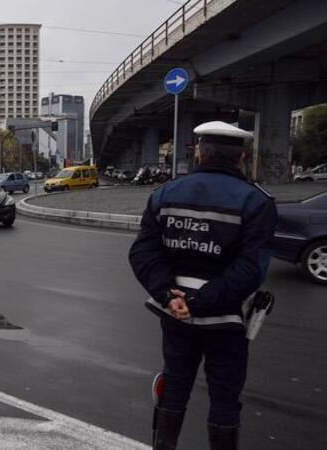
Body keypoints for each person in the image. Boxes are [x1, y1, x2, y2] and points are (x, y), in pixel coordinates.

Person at [128, 121, 278, 450]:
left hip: (175, 318)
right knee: (225, 399)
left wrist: (170, 296)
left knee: (175, 386)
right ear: (241, 158)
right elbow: (251, 269)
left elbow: (143, 253)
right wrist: (200, 301)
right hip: (227, 322)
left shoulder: (164, 194)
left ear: (199, 153)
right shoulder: (257, 203)